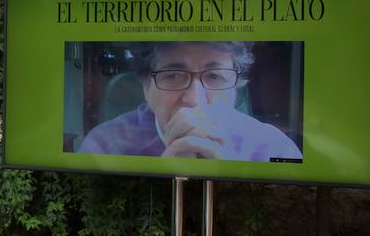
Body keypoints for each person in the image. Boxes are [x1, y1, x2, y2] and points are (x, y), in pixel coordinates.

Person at [76, 41, 302, 161]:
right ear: (146, 86)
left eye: (214, 76)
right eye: (173, 75)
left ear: (236, 86)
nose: (194, 100)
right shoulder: (104, 146)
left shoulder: (275, 149)